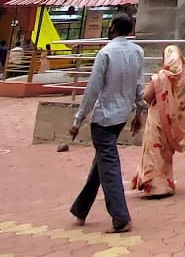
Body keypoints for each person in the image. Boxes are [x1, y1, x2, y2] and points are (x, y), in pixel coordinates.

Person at [68, 13, 145, 234]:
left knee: (108, 166)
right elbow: (139, 86)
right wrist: (139, 112)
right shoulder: (137, 52)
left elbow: (92, 90)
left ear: (112, 28)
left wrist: (78, 119)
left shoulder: (106, 53)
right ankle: (81, 208)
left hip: (104, 117)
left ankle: (120, 218)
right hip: (121, 116)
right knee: (101, 162)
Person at [131, 44, 185, 199]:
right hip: (173, 123)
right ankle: (166, 183)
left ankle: (155, 186)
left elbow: (146, 97)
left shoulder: (160, 77)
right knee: (165, 153)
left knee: (154, 151)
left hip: (158, 118)